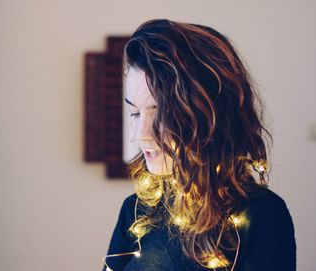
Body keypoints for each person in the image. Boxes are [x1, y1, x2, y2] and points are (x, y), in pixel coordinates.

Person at [102, 19, 296, 271]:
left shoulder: (262, 215)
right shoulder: (136, 210)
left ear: (207, 117)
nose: (141, 135)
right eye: (135, 113)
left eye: (160, 115)